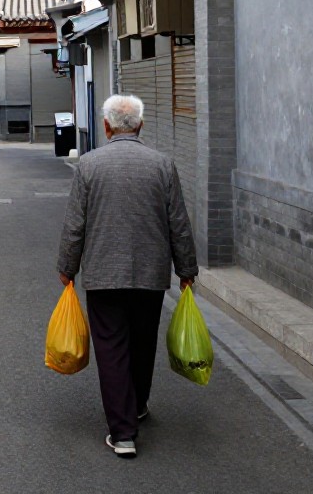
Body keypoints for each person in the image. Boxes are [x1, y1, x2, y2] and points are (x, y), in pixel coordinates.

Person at [56, 93, 199, 459]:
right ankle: (136, 407)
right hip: (150, 275)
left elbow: (75, 226)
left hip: (104, 275)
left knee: (112, 348)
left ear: (106, 126)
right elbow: (178, 224)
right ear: (140, 125)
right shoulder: (162, 165)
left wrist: (67, 267)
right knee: (142, 342)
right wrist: (186, 269)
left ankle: (122, 432)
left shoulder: (88, 166)